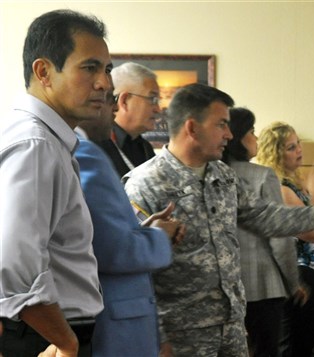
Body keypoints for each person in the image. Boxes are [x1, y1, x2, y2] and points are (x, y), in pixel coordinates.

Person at [123, 83, 314, 357]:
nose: (229, 134)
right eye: (221, 125)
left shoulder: (222, 175)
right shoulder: (145, 185)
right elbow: (134, 270)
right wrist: (156, 337)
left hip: (231, 329)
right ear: (192, 128)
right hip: (180, 336)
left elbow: (265, 217)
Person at [0, 9, 112, 357]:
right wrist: (65, 343)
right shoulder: (37, 145)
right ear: (44, 71)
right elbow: (13, 265)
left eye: (106, 70)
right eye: (90, 67)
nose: (104, 83)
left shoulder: (38, 138)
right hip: (45, 336)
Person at [74, 90, 185, 357]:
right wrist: (159, 236)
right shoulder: (84, 151)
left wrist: (141, 230)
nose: (113, 110)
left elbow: (96, 230)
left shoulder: (141, 147)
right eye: (108, 99)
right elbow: (112, 249)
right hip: (113, 322)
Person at [222, 107, 306, 357]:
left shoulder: (212, 171)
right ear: (237, 138)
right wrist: (293, 282)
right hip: (262, 285)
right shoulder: (262, 175)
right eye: (251, 132)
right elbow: (278, 238)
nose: (256, 139)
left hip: (225, 286)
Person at [256, 121, 314, 357]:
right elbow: (313, 232)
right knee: (296, 344)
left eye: (298, 144)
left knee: (306, 340)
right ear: (275, 154)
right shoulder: (281, 188)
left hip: (309, 271)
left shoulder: (293, 183)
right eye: (291, 147)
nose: (299, 151)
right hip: (298, 272)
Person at [98, 62, 160, 177]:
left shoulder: (145, 148)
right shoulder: (98, 146)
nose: (158, 109)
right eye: (152, 99)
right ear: (124, 101)